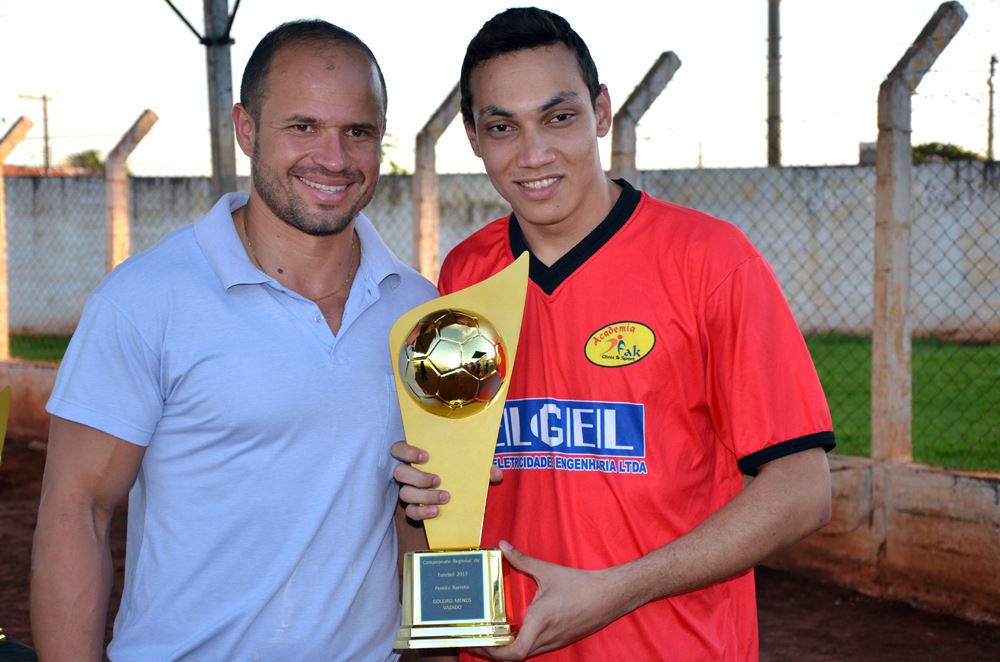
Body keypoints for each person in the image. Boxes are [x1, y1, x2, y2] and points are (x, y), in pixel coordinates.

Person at [392, 8, 835, 661]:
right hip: (503, 648)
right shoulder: (465, 273)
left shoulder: (709, 260)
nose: (534, 152)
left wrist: (618, 589)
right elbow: (462, 489)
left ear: (600, 112)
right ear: (473, 138)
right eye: (503, 127)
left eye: (559, 116)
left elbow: (804, 487)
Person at [30, 19, 436, 661]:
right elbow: (76, 513)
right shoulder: (144, 300)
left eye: (357, 131)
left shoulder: (422, 313)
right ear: (246, 129)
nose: (333, 158)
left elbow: (420, 514)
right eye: (302, 127)